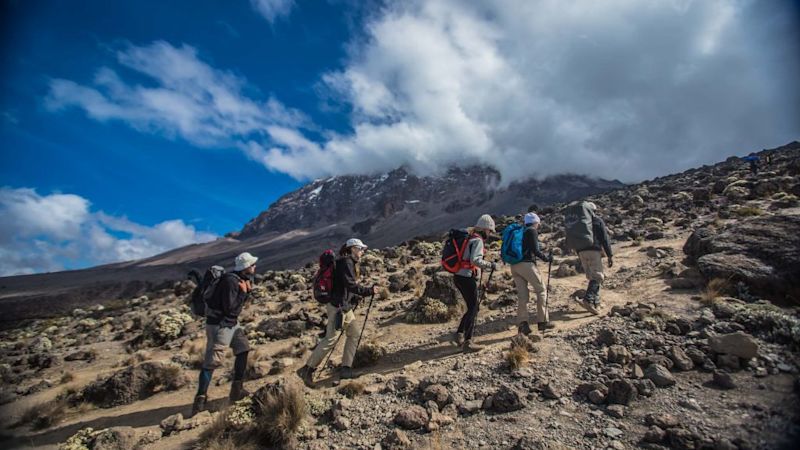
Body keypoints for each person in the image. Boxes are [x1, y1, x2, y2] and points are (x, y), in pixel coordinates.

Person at [297, 238, 377, 386]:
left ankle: (346, 369)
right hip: (337, 307)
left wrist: (353, 298)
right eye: (360, 249)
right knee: (330, 339)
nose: (362, 252)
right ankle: (307, 369)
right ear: (352, 248)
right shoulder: (345, 262)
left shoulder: (348, 262)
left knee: (354, 333)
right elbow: (351, 285)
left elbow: (346, 286)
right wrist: (368, 291)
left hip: (344, 306)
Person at [192, 252, 257, 416]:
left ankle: (237, 390)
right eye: (252, 265)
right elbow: (229, 308)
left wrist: (245, 292)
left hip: (232, 324)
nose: (255, 267)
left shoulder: (241, 280)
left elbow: (235, 308)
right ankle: (199, 402)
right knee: (212, 362)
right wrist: (243, 293)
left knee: (243, 349)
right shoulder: (230, 281)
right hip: (220, 325)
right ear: (246, 267)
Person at [450, 214, 497, 352]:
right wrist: (490, 265)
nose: (490, 233)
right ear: (485, 229)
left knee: (472, 306)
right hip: (466, 277)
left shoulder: (469, 237)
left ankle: (459, 333)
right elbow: (475, 260)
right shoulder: (478, 240)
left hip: (458, 276)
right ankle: (468, 342)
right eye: (490, 231)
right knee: (473, 308)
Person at [510, 212, 554, 335]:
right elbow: (535, 250)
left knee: (523, 296)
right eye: (538, 223)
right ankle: (543, 321)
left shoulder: (521, 231)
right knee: (541, 290)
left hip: (514, 266)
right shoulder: (531, 231)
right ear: (535, 222)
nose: (539, 225)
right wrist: (547, 259)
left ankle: (523, 325)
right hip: (526, 265)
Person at [579, 203, 613, 310]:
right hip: (593, 250)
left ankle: (596, 303)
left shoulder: (580, 222)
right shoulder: (597, 220)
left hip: (581, 252)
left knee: (592, 277)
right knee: (598, 277)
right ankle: (588, 300)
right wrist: (609, 255)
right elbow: (604, 238)